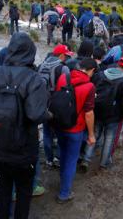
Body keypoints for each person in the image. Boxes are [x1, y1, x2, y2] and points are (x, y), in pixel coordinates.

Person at [0, 32, 48, 219]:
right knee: (24, 193)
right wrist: (48, 114)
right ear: (30, 53)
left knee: (3, 189)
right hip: (24, 151)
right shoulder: (35, 79)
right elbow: (36, 115)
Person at [54, 58, 97, 203]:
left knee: (63, 153)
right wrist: (91, 135)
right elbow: (89, 113)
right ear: (91, 70)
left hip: (59, 124)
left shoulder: (63, 77)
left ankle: (63, 180)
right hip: (76, 129)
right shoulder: (89, 86)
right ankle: (64, 193)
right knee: (71, 159)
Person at [81, 57, 123, 171]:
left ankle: (85, 159)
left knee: (93, 135)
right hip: (113, 117)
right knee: (109, 139)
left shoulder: (100, 75)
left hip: (97, 112)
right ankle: (104, 163)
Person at [39, 45, 73, 168]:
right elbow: (68, 87)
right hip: (58, 104)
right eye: (67, 55)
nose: (68, 58)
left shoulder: (42, 65)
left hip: (43, 103)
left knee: (47, 133)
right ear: (61, 55)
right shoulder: (63, 68)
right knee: (60, 132)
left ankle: (48, 159)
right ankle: (58, 158)